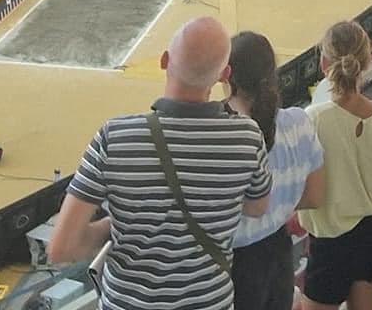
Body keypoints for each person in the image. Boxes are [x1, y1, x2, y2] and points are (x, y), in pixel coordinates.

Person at [50, 16, 271, 310]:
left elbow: (62, 248)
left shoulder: (114, 137)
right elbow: (257, 207)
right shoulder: (247, 137)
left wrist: (112, 226)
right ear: (224, 75)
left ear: (165, 61)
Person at [296, 21, 372, 310]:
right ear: (366, 61)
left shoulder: (313, 118)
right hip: (370, 234)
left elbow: (304, 188)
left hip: (329, 242)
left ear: (323, 63)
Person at [226, 31, 326, 310]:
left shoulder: (220, 136)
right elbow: (314, 196)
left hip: (234, 263)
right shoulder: (299, 123)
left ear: (227, 76)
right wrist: (278, 205)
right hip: (279, 255)